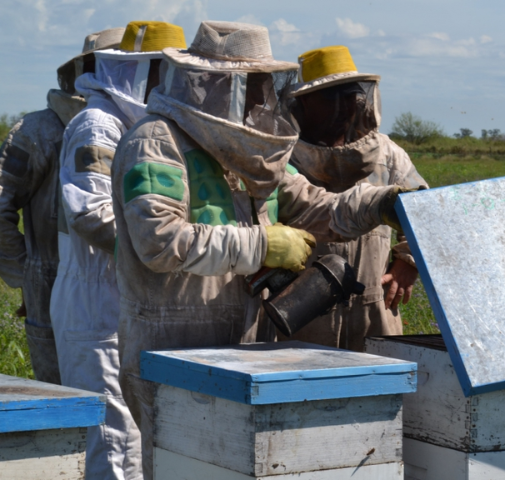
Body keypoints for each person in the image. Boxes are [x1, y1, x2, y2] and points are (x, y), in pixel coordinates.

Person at [111, 21, 408, 478]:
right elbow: (159, 240)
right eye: (254, 84)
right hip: (172, 348)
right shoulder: (155, 142)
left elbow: (320, 209)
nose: (263, 97)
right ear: (216, 85)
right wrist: (262, 244)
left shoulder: (251, 157)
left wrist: (383, 203)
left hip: (247, 346)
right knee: (183, 467)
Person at [51, 21, 186, 480]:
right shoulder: (97, 124)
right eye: (164, 74)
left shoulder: (145, 129)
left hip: (131, 302)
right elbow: (90, 212)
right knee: (115, 450)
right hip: (97, 306)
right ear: (136, 72)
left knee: (144, 446)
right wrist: (160, 250)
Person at [0, 28, 124, 385]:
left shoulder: (129, 125)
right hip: (53, 290)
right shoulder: (37, 131)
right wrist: (25, 275)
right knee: (65, 410)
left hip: (122, 294)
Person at [283, 45, 428, 351]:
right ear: (304, 103)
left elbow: (426, 210)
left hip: (375, 310)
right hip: (301, 315)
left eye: (350, 95)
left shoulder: (388, 156)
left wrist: (408, 261)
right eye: (331, 97)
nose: (345, 105)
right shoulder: (282, 160)